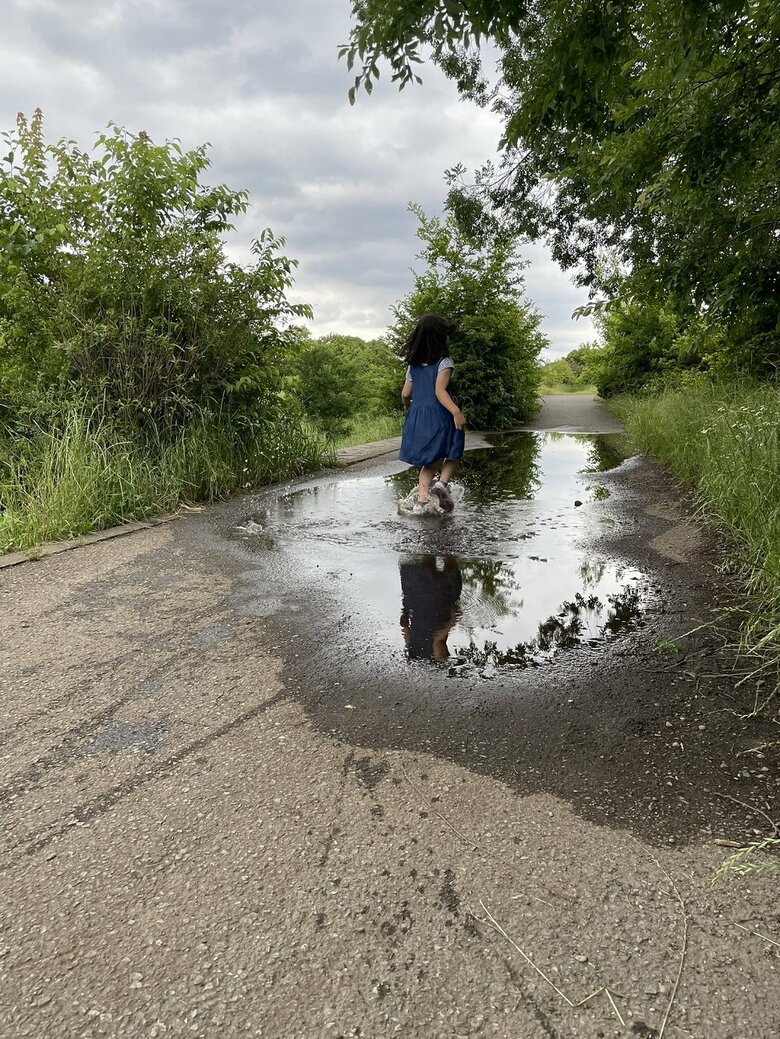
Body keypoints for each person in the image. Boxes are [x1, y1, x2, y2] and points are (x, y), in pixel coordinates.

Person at [399, 314, 466, 514]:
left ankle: (420, 503)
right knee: (454, 450)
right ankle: (441, 484)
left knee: (428, 461)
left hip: (419, 417)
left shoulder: (413, 365)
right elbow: (439, 391)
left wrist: (408, 405)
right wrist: (456, 412)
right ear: (440, 337)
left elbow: (405, 394)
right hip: (440, 414)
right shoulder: (444, 362)